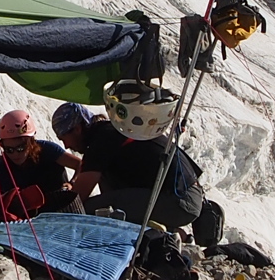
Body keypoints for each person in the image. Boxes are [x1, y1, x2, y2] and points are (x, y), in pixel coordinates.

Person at [52, 100, 225, 248]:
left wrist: (48, 215)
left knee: (93, 211)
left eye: (64, 138)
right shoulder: (112, 130)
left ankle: (161, 236)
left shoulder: (102, 140)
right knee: (110, 196)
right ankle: (172, 233)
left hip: (178, 201)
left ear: (77, 129)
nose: (66, 146)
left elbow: (77, 200)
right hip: (185, 197)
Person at [0, 109, 73, 214]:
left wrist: (72, 183)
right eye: (9, 150)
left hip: (63, 208)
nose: (15, 154)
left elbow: (81, 165)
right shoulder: (2, 167)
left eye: (20, 148)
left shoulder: (47, 150)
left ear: (31, 142)